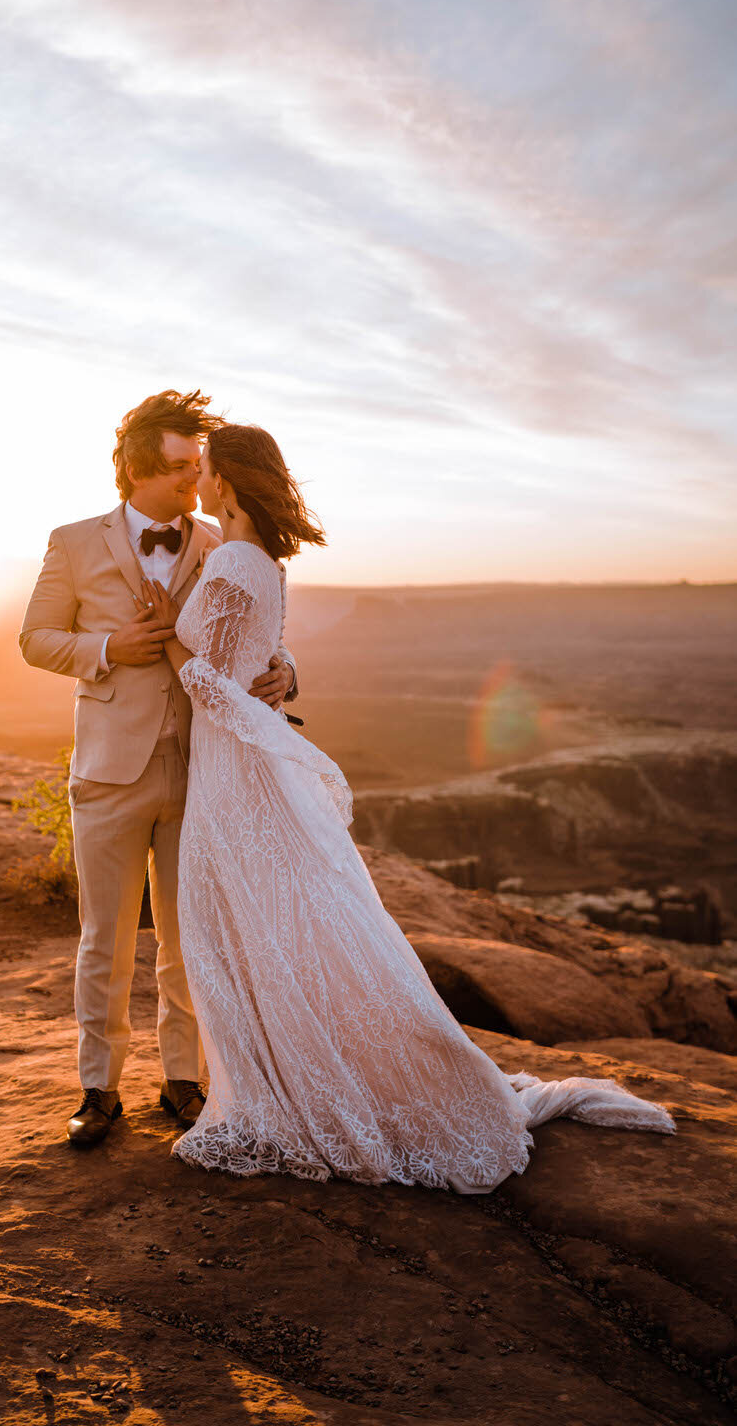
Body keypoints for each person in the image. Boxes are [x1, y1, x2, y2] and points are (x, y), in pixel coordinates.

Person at [138, 424, 677, 1192]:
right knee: (276, 923)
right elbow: (257, 655)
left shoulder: (230, 557)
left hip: (234, 775)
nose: (198, 481)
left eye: (207, 470)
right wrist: (280, 669)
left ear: (226, 481)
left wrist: (167, 639)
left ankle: (286, 1096)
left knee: (247, 925)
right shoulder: (263, 560)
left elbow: (215, 683)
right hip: (241, 768)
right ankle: (290, 1079)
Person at [18, 391, 300, 1149]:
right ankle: (97, 1088)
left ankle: (184, 1078)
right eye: (181, 466)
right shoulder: (73, 542)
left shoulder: (221, 537)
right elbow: (35, 639)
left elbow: (260, 629)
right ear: (141, 468)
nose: (193, 478)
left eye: (196, 467)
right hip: (110, 772)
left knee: (189, 938)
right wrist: (111, 649)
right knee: (103, 938)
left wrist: (285, 671)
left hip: (203, 767)